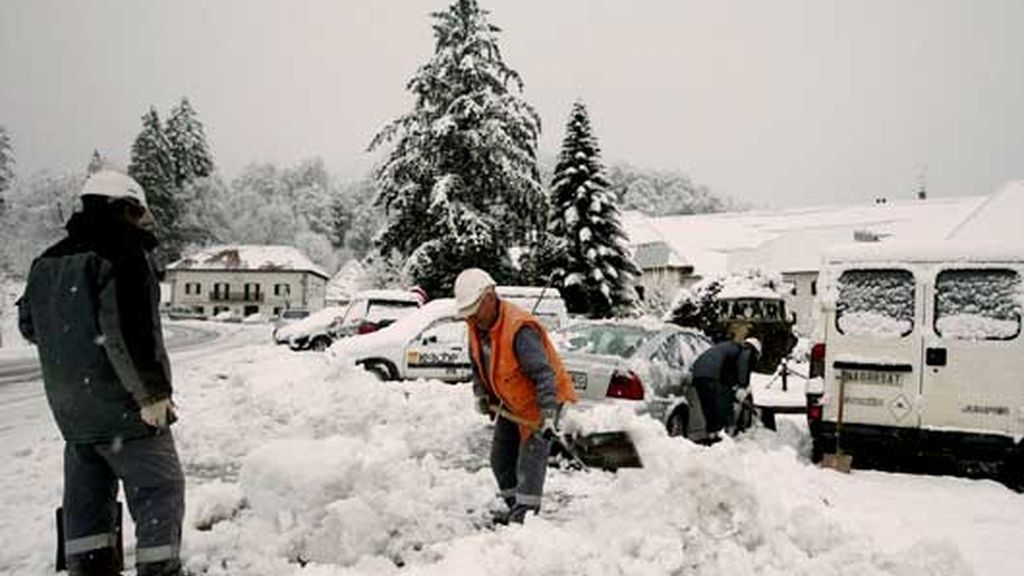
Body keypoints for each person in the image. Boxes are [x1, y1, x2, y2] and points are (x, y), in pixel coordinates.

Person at [17, 170, 184, 576]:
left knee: (87, 499)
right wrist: (152, 395)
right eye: (139, 212)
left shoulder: (47, 261)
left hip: (72, 412)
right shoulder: (123, 252)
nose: (142, 222)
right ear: (124, 207)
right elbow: (128, 332)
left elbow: (29, 326)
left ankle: (88, 568)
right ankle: (158, 571)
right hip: (123, 407)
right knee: (160, 488)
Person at [455, 268, 578, 524]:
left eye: (474, 312)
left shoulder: (520, 330)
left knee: (529, 465)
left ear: (489, 298)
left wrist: (547, 415)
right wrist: (481, 394)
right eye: (467, 314)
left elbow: (545, 376)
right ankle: (515, 508)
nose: (472, 319)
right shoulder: (476, 326)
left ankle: (525, 519)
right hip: (511, 402)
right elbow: (476, 366)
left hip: (540, 402)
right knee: (500, 459)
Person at [691, 335, 762, 440]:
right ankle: (724, 435)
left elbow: (728, 377)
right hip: (713, 375)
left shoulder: (730, 348)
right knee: (724, 404)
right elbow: (742, 367)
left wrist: (736, 389)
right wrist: (742, 386)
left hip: (698, 374)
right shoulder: (746, 350)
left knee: (709, 407)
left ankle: (712, 435)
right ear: (755, 351)